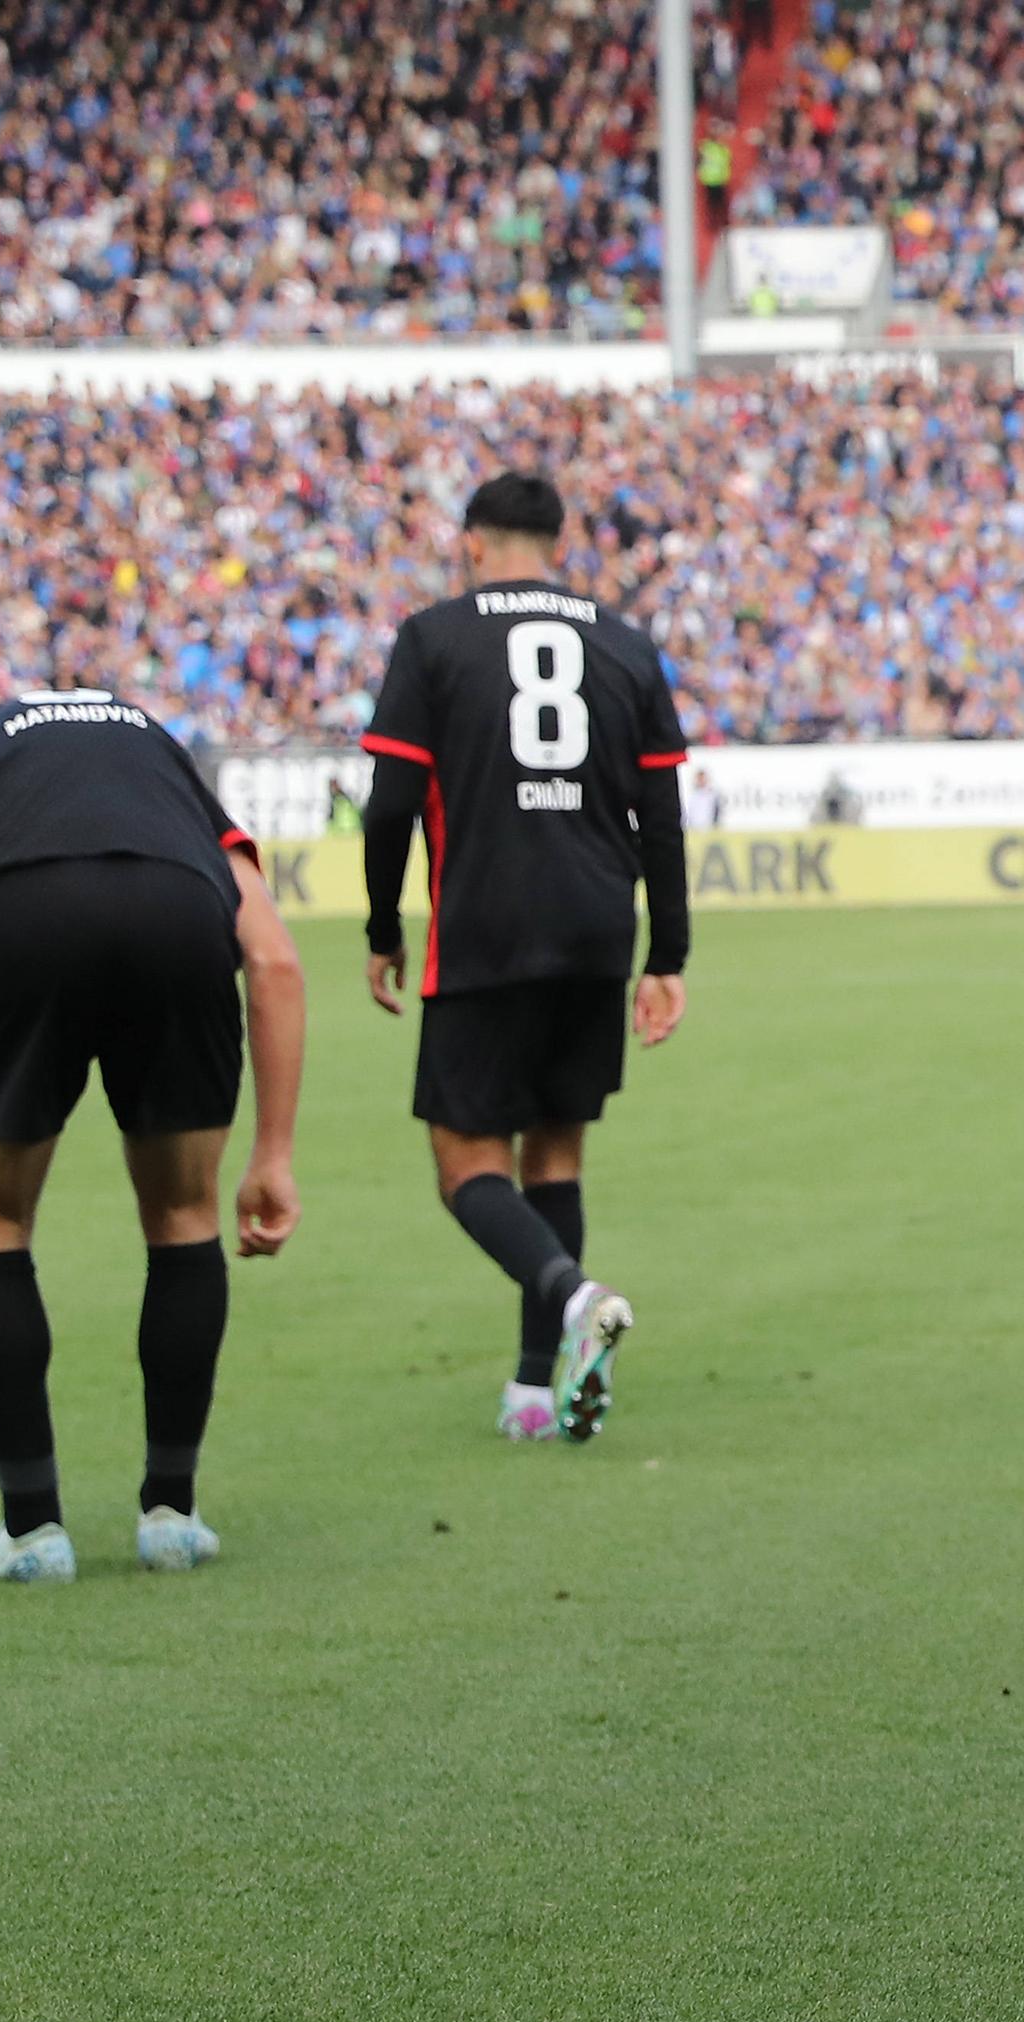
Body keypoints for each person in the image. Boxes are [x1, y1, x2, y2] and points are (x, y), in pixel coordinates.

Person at [0, 689, 307, 1583]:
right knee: (185, 1214)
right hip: (176, 910)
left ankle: (34, 1532)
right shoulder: (169, 766)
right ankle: (172, 1517)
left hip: (21, 914)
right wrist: (272, 1156)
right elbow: (272, 959)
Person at [358, 472, 693, 1444]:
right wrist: (666, 954)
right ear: (561, 541)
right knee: (554, 1155)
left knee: (466, 1167)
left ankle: (571, 1294)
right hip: (596, 928)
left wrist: (383, 926)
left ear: (471, 544)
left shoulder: (432, 637)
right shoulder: (625, 644)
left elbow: (388, 805)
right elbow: (662, 818)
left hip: (484, 926)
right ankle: (533, 1391)